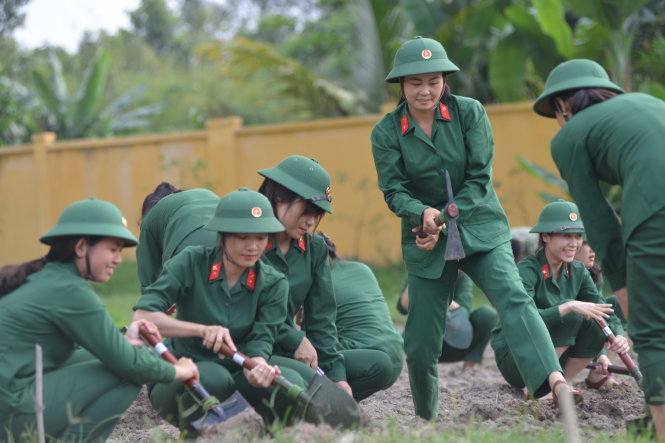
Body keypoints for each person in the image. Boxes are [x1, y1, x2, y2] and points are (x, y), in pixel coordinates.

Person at [370, 36, 574, 419]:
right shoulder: (386, 131)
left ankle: (552, 382)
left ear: (445, 80)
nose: (425, 90)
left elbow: (479, 179)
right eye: (415, 83)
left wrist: (441, 216)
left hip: (480, 227)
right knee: (419, 343)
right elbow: (394, 191)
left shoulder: (469, 113)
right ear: (401, 85)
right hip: (426, 241)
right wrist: (421, 214)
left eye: (433, 81)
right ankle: (426, 420)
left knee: (513, 296)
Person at [533, 58, 665, 435]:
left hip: (656, 210)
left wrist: (622, 286)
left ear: (563, 105)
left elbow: (598, 219)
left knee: (654, 333)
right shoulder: (648, 104)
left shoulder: (570, 136)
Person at [0, 198, 199, 442]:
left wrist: (126, 341)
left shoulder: (47, 277)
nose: (118, 259)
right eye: (113, 249)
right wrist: (178, 371)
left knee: (122, 357)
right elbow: (128, 364)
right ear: (81, 247)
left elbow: (99, 350)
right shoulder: (69, 290)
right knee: (130, 373)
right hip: (12, 410)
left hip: (13, 399)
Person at [133, 188, 314, 428]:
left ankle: (260, 434)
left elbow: (260, 343)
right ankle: (197, 435)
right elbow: (143, 317)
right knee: (214, 379)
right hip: (181, 375)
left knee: (288, 381)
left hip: (237, 373)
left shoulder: (274, 283)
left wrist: (258, 369)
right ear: (223, 235)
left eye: (261, 238)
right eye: (243, 237)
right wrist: (201, 330)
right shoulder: (191, 261)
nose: (252, 247)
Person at [491, 200, 629, 399]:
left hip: (558, 356)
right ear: (546, 236)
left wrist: (618, 335)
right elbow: (522, 320)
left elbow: (601, 308)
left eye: (578, 236)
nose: (574, 244)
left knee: (595, 322)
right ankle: (540, 386)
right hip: (518, 357)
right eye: (566, 236)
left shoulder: (578, 270)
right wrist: (568, 306)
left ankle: (564, 383)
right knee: (571, 314)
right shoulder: (526, 271)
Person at [258, 155, 366, 399]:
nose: (311, 221)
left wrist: (338, 377)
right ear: (279, 196)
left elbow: (321, 318)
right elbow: (246, 310)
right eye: (307, 211)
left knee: (380, 366)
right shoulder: (248, 243)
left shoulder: (314, 249)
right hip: (255, 349)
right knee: (299, 379)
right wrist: (295, 339)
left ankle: (325, 396)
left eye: (317, 214)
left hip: (295, 353)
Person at [317, 232, 404, 395]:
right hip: (396, 356)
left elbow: (313, 336)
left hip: (368, 359)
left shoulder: (321, 281)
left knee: (306, 351)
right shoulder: (362, 268)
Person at [397, 271, 498, 370]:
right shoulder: (420, 268)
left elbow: (463, 311)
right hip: (422, 341)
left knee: (487, 314)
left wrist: (439, 300)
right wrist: (419, 274)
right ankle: (421, 367)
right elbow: (402, 307)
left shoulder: (462, 273)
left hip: (455, 341)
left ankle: (469, 369)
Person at [136, 182, 219, 291]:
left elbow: (149, 281)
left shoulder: (150, 219)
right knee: (220, 286)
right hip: (226, 240)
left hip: (188, 244)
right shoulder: (198, 197)